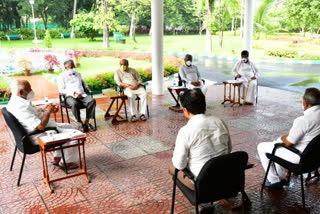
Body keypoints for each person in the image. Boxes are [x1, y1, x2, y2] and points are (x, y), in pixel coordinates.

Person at [169, 89, 232, 190]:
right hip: (224, 177)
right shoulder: (220, 122)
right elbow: (229, 149)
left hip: (203, 184)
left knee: (172, 167)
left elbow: (179, 165)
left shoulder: (185, 131)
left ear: (185, 110)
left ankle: (197, 197)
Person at [7, 80, 79, 169]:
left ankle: (57, 157)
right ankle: (66, 162)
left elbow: (32, 109)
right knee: (76, 136)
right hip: (38, 135)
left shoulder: (15, 100)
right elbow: (41, 127)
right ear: (21, 92)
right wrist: (47, 111)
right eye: (29, 89)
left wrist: (44, 108)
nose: (31, 90)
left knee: (68, 126)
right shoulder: (22, 107)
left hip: (37, 130)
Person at [257, 88, 320, 189]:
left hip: (300, 158)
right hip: (315, 159)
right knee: (276, 144)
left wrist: (283, 137)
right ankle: (281, 178)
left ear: (306, 103)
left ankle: (273, 180)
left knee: (262, 147)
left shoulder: (304, 120)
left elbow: (288, 142)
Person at [57, 60, 96, 132]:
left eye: (74, 66)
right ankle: (80, 122)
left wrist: (86, 87)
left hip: (82, 95)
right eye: (71, 67)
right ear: (66, 68)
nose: (73, 68)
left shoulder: (78, 74)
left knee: (92, 101)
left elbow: (83, 81)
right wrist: (74, 93)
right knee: (74, 104)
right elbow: (61, 90)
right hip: (70, 96)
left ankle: (86, 121)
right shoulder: (61, 76)